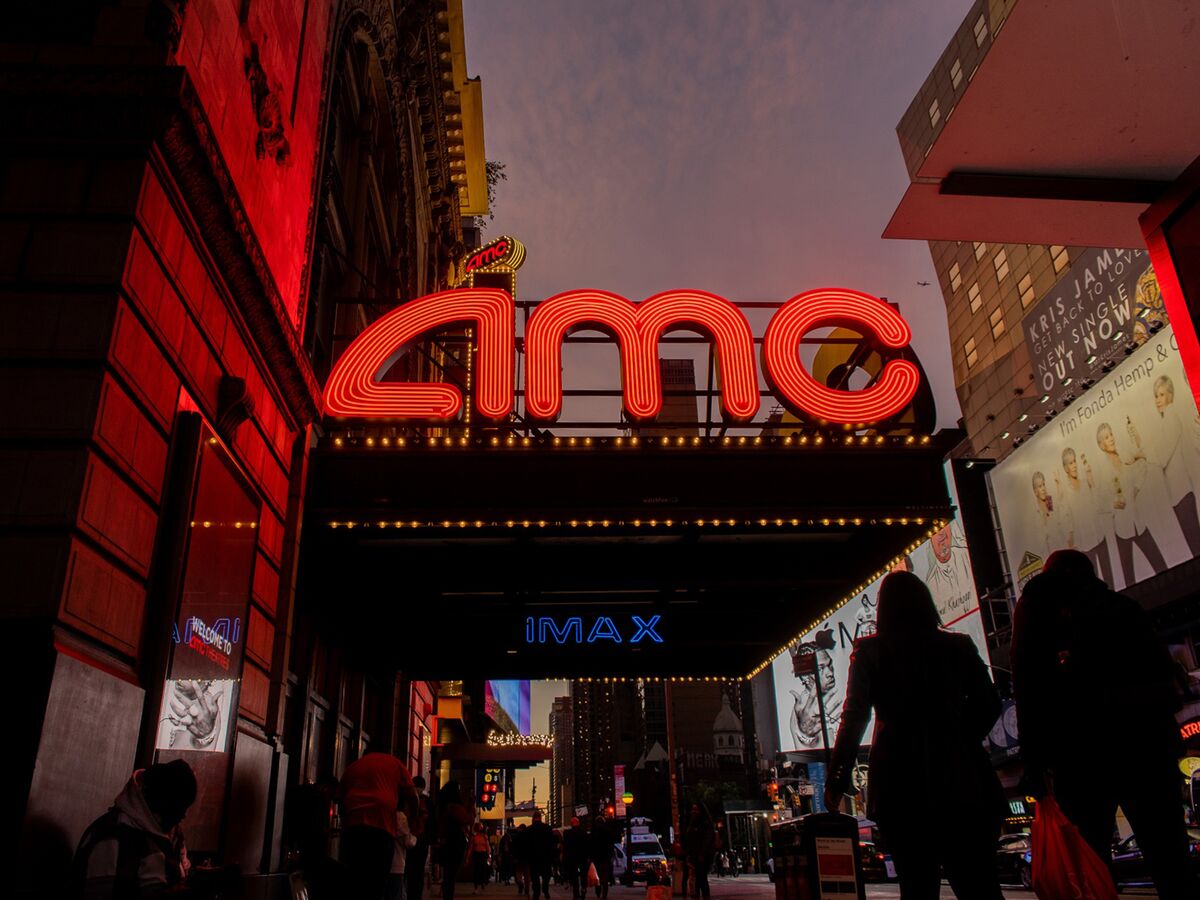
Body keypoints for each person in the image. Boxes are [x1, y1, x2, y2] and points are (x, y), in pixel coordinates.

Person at [1012, 549, 1198, 899]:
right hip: (1146, 745)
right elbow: (1163, 674)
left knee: (1089, 865)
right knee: (1170, 859)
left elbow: (1028, 692)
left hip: (1080, 753)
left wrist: (1035, 766)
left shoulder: (1038, 615)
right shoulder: (1123, 608)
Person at [824, 571, 1004, 900]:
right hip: (963, 782)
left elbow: (854, 717)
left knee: (917, 885)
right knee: (978, 885)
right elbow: (989, 704)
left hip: (900, 784)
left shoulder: (870, 652)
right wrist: (960, 739)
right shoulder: (958, 646)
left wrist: (836, 778)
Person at [72, 759, 197, 899]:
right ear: (160, 801)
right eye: (178, 808)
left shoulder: (167, 831)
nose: (184, 815)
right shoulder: (113, 837)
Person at [1095, 421, 1167, 585]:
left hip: (1139, 523)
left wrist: (1135, 489)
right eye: (1106, 437)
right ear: (1101, 445)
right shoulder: (1102, 472)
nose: (1111, 439)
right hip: (1122, 529)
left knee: (1160, 565)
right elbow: (1099, 503)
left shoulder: (1125, 457)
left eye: (1111, 434)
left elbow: (1142, 468)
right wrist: (1113, 504)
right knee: (1128, 578)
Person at [339, 751, 415, 900]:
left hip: (354, 830)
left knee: (353, 881)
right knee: (377, 883)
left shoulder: (353, 767)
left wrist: (345, 823)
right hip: (382, 830)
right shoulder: (395, 763)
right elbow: (413, 796)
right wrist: (412, 823)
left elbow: (340, 798)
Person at [1141, 374, 1200, 555]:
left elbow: (1160, 457)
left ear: (1170, 396)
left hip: (1182, 491)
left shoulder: (1172, 418)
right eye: (1156, 395)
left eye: (1161, 395)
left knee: (1195, 544)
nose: (1158, 400)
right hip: (1178, 492)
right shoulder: (1167, 419)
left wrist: (1141, 454)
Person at [437, 782, 472, 900]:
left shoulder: (443, 806)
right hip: (455, 842)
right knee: (451, 875)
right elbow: (466, 819)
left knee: (448, 874)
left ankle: (447, 894)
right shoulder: (455, 807)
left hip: (447, 841)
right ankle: (448, 896)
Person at [406, 775, 432, 900]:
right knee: (417, 870)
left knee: (412, 869)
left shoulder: (410, 799)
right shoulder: (426, 801)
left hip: (415, 837)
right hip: (420, 838)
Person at [683, 804, 715, 900]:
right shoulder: (692, 823)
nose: (693, 811)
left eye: (696, 809)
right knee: (697, 879)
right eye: (693, 809)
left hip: (702, 855)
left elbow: (707, 839)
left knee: (702, 879)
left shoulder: (705, 823)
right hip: (694, 855)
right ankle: (697, 896)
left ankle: (704, 896)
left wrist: (702, 853)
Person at [387, 807, 418, 900]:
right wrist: (415, 837)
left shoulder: (384, 813)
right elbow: (408, 842)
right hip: (396, 864)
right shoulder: (400, 817)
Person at [525, 811, 555, 900]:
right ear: (540, 817)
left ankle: (536, 892)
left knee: (535, 876)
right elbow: (551, 844)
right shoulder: (547, 828)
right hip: (546, 857)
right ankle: (545, 889)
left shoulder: (529, 829)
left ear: (533, 818)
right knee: (546, 875)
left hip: (533, 857)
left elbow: (527, 845)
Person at [561, 817, 588, 900]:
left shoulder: (567, 833)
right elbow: (587, 845)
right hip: (582, 857)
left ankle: (576, 894)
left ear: (571, 824)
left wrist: (565, 856)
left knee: (574, 876)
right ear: (578, 823)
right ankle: (583, 889)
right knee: (583, 875)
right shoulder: (583, 833)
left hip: (572, 858)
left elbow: (565, 846)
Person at [586, 816, 612, 900]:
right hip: (605, 857)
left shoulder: (594, 832)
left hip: (596, 857)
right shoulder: (607, 831)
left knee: (597, 876)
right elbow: (610, 845)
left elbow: (590, 845)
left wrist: (590, 856)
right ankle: (604, 895)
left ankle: (598, 891)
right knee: (605, 877)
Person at [470, 823, 491, 891]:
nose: (481, 829)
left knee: (483, 869)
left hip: (483, 854)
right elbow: (471, 847)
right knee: (476, 870)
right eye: (479, 827)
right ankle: (476, 886)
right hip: (476, 854)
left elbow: (487, 847)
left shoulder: (485, 837)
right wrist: (467, 857)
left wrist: (489, 856)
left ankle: (483, 883)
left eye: (481, 827)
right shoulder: (474, 837)